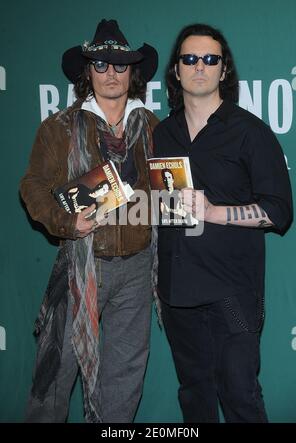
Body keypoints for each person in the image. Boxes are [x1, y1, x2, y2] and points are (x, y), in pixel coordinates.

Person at [20, 19, 159, 423]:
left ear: (133, 72)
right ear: (87, 72)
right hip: (82, 264)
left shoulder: (151, 125)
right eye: (100, 65)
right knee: (55, 371)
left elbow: (167, 186)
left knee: (124, 376)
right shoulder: (60, 127)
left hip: (137, 267)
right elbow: (32, 185)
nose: (111, 73)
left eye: (119, 65)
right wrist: (67, 222)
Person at [153, 23, 293, 423]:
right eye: (190, 59)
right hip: (178, 293)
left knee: (240, 395)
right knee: (194, 398)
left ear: (224, 70)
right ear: (176, 71)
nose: (200, 66)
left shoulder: (251, 132)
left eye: (210, 59)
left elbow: (279, 211)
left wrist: (214, 211)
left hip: (234, 293)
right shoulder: (162, 134)